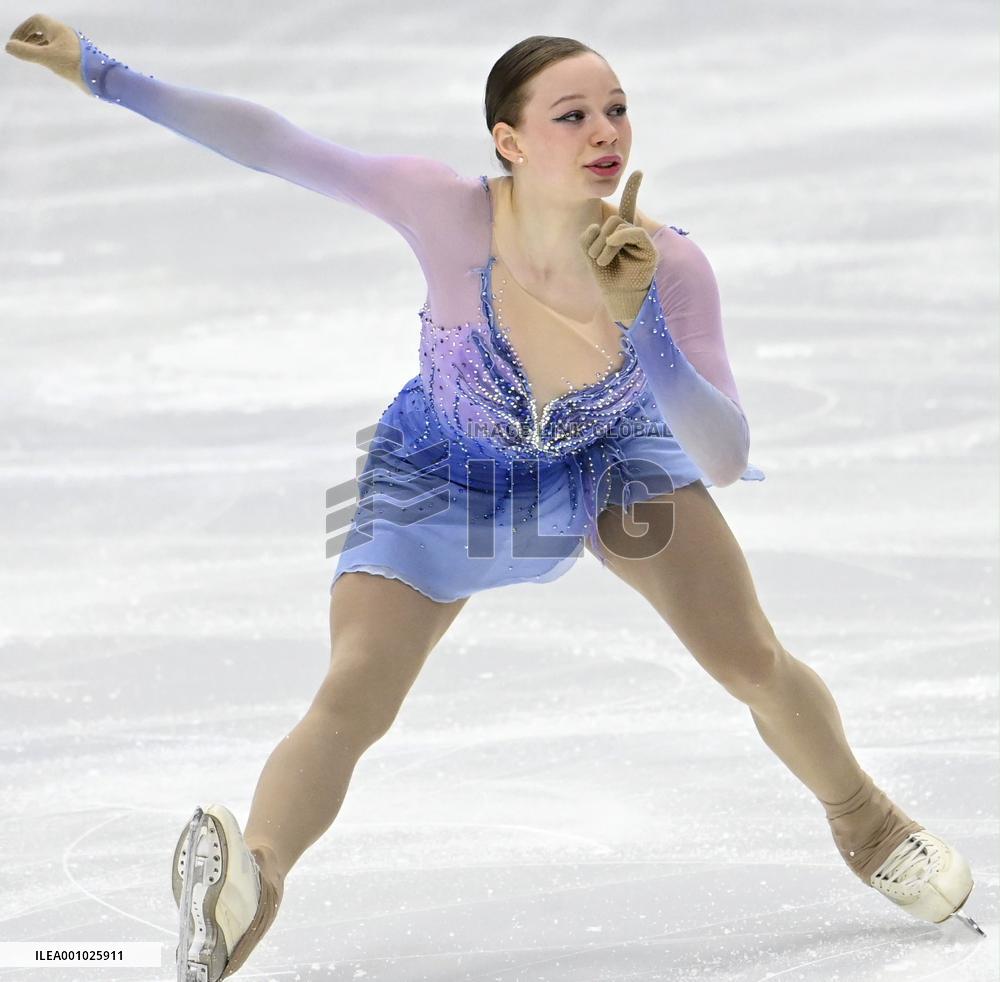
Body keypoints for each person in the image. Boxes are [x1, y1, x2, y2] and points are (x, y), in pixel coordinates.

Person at [6, 14, 986, 979]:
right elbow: (278, 144)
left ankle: (866, 821)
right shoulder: (443, 206)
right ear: (508, 141)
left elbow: (723, 454)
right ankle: (249, 882)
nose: (605, 131)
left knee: (749, 655)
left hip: (611, 458)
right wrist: (103, 74)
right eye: (572, 115)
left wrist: (641, 319)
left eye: (616, 109)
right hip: (443, 464)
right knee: (354, 687)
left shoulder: (667, 262)